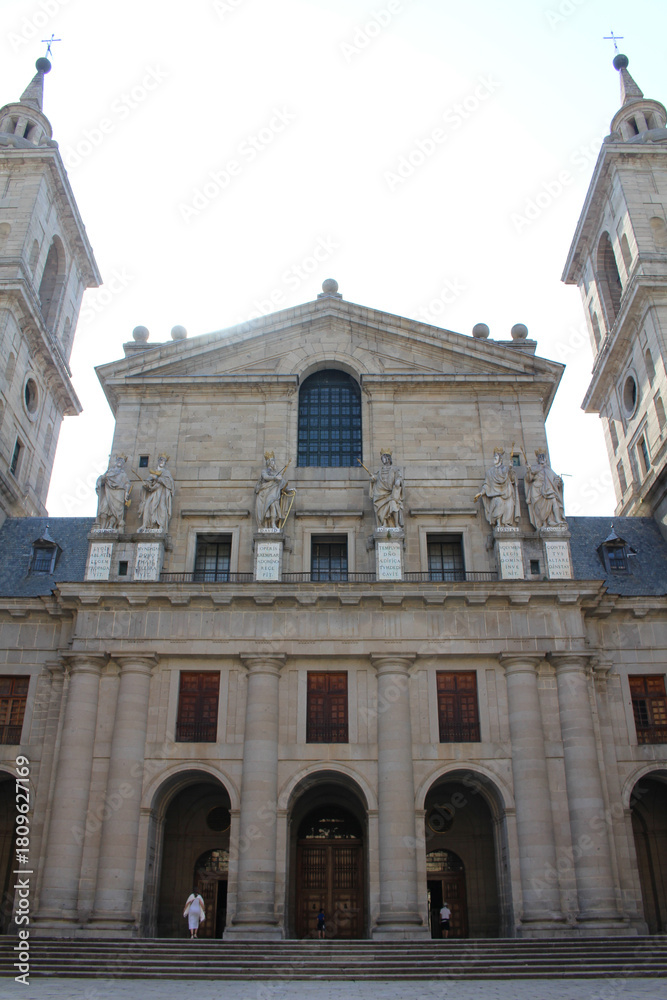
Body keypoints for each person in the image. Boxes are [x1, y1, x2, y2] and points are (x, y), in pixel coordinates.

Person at [474, 447, 520, 528]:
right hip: (497, 495)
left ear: (500, 459)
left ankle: (506, 524)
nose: (495, 457)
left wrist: (510, 469)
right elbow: (487, 485)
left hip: (507, 494)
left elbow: (512, 479)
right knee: (498, 503)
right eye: (494, 456)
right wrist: (481, 493)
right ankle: (499, 524)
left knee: (509, 506)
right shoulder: (489, 472)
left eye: (496, 456)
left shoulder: (506, 469)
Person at [524, 449, 566, 529]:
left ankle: (556, 520)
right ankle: (544, 522)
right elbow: (528, 479)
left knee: (554, 501)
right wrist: (529, 470)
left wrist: (559, 482)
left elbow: (555, 479)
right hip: (537, 490)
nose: (542, 459)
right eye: (540, 457)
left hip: (548, 489)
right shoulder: (534, 468)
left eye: (543, 457)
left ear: (546, 459)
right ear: (537, 459)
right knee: (540, 508)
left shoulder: (549, 469)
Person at [138, 454, 174, 533]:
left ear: (165, 463)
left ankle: (161, 525)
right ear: (158, 461)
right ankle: (146, 524)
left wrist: (158, 479)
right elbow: (149, 482)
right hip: (153, 493)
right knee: (148, 506)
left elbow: (169, 483)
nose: (162, 461)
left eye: (163, 460)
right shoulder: (154, 472)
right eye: (160, 460)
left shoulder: (166, 473)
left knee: (162, 508)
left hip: (162, 494)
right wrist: (146, 485)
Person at [94, 455, 131, 530]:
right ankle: (103, 526)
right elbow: (102, 479)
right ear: (116, 462)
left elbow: (127, 483)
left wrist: (126, 492)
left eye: (122, 460)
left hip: (118, 494)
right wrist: (102, 478)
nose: (120, 461)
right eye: (119, 460)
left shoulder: (123, 474)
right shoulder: (109, 472)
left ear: (123, 464)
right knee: (104, 508)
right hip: (108, 492)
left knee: (116, 512)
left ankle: (111, 526)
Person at [370, 449, 404, 528]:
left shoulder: (394, 470)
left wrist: (398, 481)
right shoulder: (379, 471)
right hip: (380, 493)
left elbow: (398, 477)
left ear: (388, 458)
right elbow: (375, 478)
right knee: (380, 509)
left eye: (384, 458)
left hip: (391, 492)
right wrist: (372, 479)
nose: (382, 460)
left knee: (393, 505)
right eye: (382, 458)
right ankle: (384, 523)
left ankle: (396, 524)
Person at [255, 451, 289, 530]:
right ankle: (270, 525)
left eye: (274, 461)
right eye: (272, 461)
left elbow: (282, 483)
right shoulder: (265, 472)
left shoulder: (276, 473)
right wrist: (275, 478)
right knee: (271, 508)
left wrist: (288, 489)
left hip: (275, 494)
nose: (273, 463)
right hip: (265, 494)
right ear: (269, 463)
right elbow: (265, 477)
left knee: (274, 507)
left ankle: (273, 524)